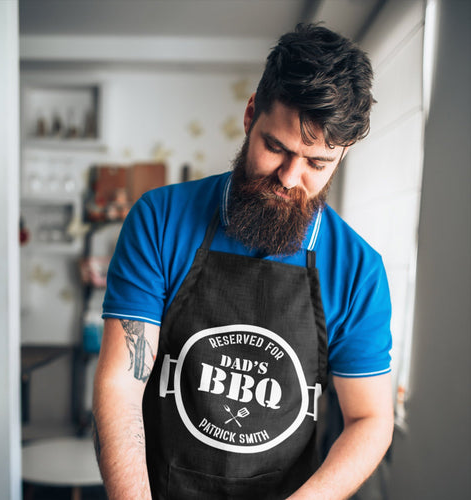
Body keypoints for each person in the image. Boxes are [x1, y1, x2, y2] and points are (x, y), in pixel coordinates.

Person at [92, 23, 394, 500]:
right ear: (251, 114)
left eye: (317, 163)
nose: (291, 177)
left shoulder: (358, 270)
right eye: (276, 147)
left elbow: (370, 418)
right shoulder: (160, 219)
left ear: (343, 154)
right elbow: (121, 385)